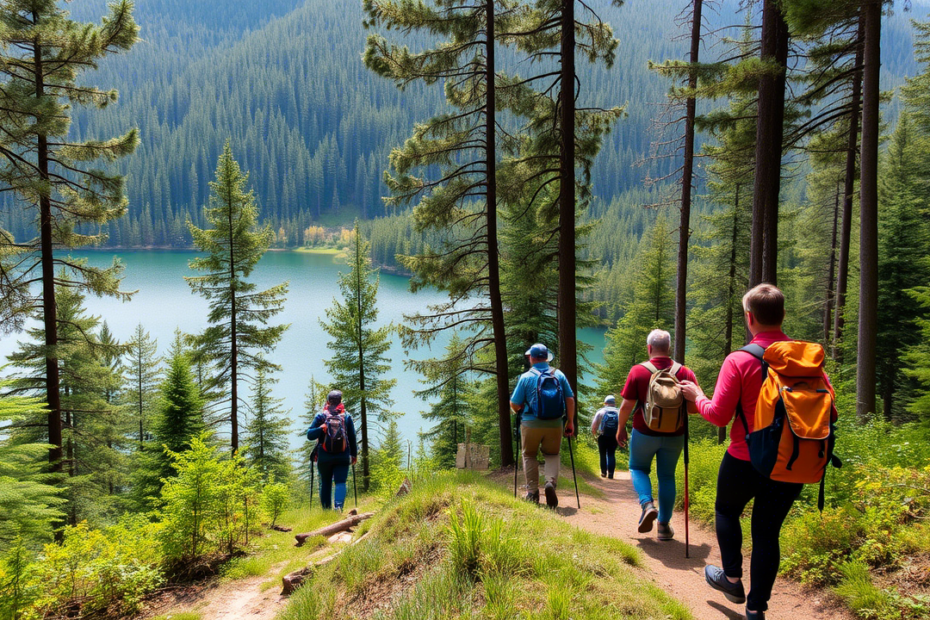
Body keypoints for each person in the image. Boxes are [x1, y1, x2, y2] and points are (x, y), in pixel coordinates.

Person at [679, 284, 816, 620]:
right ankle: (756, 608)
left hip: (745, 456)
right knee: (768, 532)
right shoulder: (807, 358)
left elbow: (718, 416)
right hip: (792, 460)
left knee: (726, 510)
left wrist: (697, 395)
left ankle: (732, 578)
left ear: (749, 318)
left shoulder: (740, 359)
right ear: (783, 315)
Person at [614, 329, 698, 541]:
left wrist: (620, 427)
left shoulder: (638, 371)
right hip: (675, 434)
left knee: (637, 468)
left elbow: (626, 405)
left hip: (644, 432)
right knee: (667, 476)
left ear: (649, 348)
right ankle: (663, 526)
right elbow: (693, 409)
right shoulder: (685, 372)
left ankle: (647, 504)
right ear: (669, 348)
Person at [510, 343, 576, 508]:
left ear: (531, 358)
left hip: (530, 423)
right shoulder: (558, 374)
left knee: (529, 455)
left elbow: (514, 403)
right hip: (555, 424)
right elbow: (569, 399)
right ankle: (550, 483)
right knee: (552, 454)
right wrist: (570, 420)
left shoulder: (526, 377)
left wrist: (521, 409)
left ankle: (532, 493)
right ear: (546, 358)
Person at [305, 390, 358, 511]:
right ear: (341, 401)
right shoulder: (346, 416)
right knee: (340, 482)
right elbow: (352, 436)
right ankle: (338, 508)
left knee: (325, 482)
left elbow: (309, 435)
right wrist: (353, 455)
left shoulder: (321, 416)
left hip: (324, 456)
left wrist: (320, 429)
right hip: (342, 455)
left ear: (328, 401)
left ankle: (326, 511)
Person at [590, 395, 621, 478]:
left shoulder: (601, 411)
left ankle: (603, 472)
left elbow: (594, 425)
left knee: (602, 454)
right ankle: (611, 474)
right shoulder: (619, 412)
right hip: (614, 436)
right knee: (611, 454)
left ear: (605, 403)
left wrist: (594, 434)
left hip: (603, 436)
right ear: (614, 403)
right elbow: (622, 425)